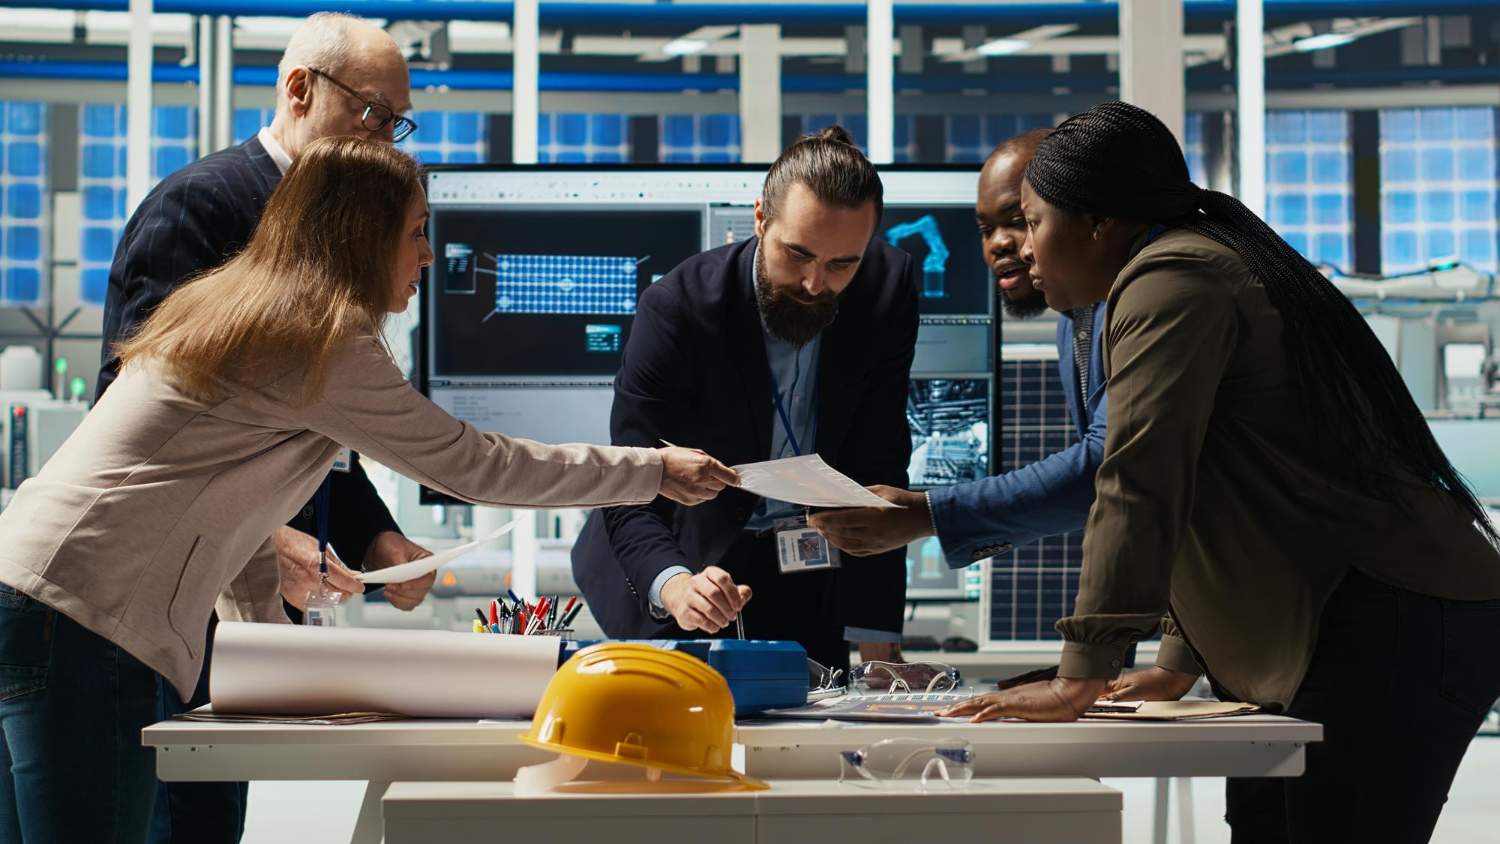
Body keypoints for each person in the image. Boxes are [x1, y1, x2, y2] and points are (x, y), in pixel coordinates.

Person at [0, 136, 737, 844]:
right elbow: (472, 462)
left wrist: (278, 663)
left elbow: (205, 498)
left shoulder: (240, 306)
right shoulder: (318, 337)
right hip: (85, 621)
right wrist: (649, 471)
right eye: (416, 232)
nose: (427, 254)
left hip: (29, 591)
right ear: (361, 233)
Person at [931, 102, 1500, 843]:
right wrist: (1175, 658)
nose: (1023, 249)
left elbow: (1139, 481)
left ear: (1098, 221)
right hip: (1333, 620)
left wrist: (1081, 676)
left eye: (1032, 221)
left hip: (1394, 617)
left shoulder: (1173, 278)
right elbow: (1213, 487)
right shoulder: (1173, 269)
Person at [94, 15, 428, 840]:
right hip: (160, 600)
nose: (384, 141)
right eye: (372, 114)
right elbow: (132, 407)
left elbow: (319, 427)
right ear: (299, 89)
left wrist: (378, 537)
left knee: (212, 816)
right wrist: (265, 533)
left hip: (231, 613)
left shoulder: (335, 229)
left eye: (399, 124)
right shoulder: (203, 208)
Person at [571, 126, 919, 673]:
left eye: (840, 265)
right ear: (760, 218)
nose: (812, 284)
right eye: (797, 254)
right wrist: (676, 586)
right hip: (685, 561)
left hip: (811, 564)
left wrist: (879, 641)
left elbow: (879, 460)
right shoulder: (679, 308)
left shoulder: (888, 287)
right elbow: (629, 482)